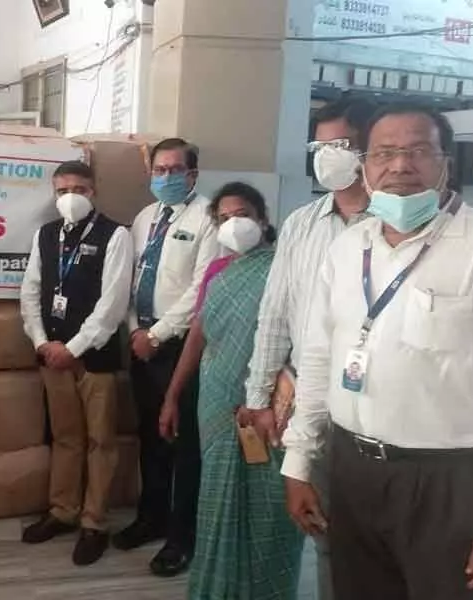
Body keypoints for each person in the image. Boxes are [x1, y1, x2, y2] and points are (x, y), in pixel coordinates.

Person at [283, 102, 473, 599]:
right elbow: (318, 359)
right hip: (352, 470)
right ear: (365, 164)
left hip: (451, 484)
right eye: (384, 152)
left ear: (447, 161)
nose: (400, 165)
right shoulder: (346, 250)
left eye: (418, 151)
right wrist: (299, 460)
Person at [244, 96, 377, 600]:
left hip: (381, 400)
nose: (327, 157)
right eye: (319, 146)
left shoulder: (397, 220)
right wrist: (259, 396)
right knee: (323, 527)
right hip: (311, 397)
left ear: (371, 148)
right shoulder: (303, 222)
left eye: (339, 145)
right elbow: (275, 312)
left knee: (381, 536)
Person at [159, 182, 303, 599]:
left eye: (241, 215)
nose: (233, 224)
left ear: (262, 219)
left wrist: (263, 398)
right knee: (217, 498)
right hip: (216, 401)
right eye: (223, 219)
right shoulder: (217, 272)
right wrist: (172, 395)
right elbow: (197, 336)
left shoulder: (286, 268)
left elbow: (299, 341)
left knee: (269, 504)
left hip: (269, 405)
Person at [116, 138, 228, 577]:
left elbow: (201, 291)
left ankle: (182, 538)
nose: (165, 177)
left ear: (193, 175)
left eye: (174, 170)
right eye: (159, 170)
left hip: (181, 345)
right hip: (141, 340)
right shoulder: (144, 218)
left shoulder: (209, 219)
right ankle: (152, 517)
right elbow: (128, 281)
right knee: (149, 436)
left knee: (183, 444)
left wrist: (158, 334)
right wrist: (135, 332)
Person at [18, 160, 133, 566]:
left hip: (94, 358)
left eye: (79, 190)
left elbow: (113, 304)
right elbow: (30, 291)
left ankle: (94, 522)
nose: (71, 198)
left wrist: (76, 347)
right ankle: (63, 511)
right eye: (63, 190)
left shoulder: (115, 235)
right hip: (52, 355)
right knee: (66, 439)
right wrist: (42, 342)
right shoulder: (46, 235)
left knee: (101, 442)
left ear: (94, 191)